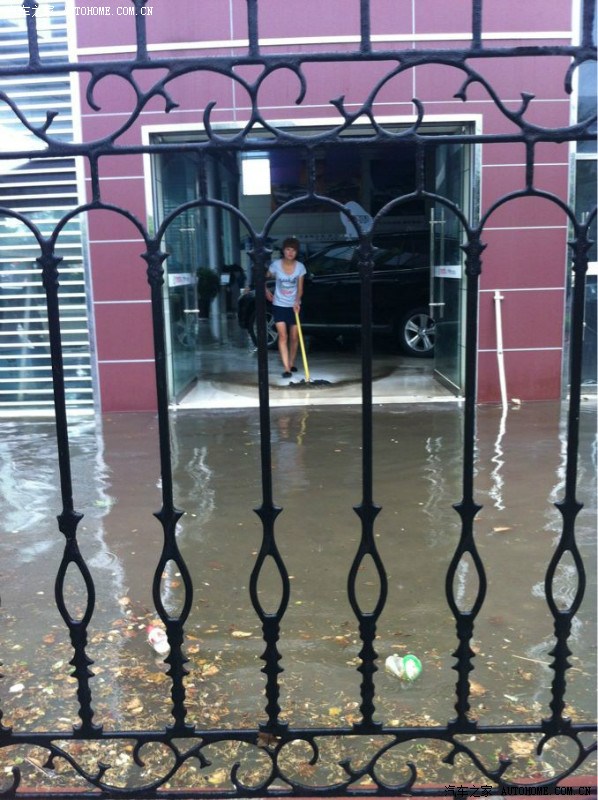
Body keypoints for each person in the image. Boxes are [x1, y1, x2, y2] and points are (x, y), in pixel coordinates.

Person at [265, 237, 306, 378]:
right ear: (283, 251)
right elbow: (263, 277)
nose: (290, 252)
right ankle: (287, 368)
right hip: (279, 304)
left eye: (293, 250)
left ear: (296, 252)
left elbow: (300, 289)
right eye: (288, 249)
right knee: (283, 336)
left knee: (294, 337)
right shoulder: (275, 265)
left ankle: (292, 362)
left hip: (294, 306)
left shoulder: (300, 267)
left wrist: (297, 300)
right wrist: (265, 290)